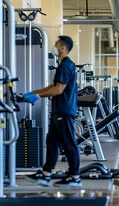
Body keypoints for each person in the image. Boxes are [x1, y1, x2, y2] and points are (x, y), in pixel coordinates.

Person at [23, 35, 81, 187]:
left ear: (63, 47)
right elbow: (52, 87)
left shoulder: (65, 65)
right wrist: (31, 92)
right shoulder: (62, 65)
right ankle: (46, 174)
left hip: (64, 110)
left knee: (69, 144)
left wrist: (37, 96)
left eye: (56, 44)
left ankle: (75, 176)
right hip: (58, 111)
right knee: (52, 142)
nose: (53, 46)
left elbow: (58, 90)